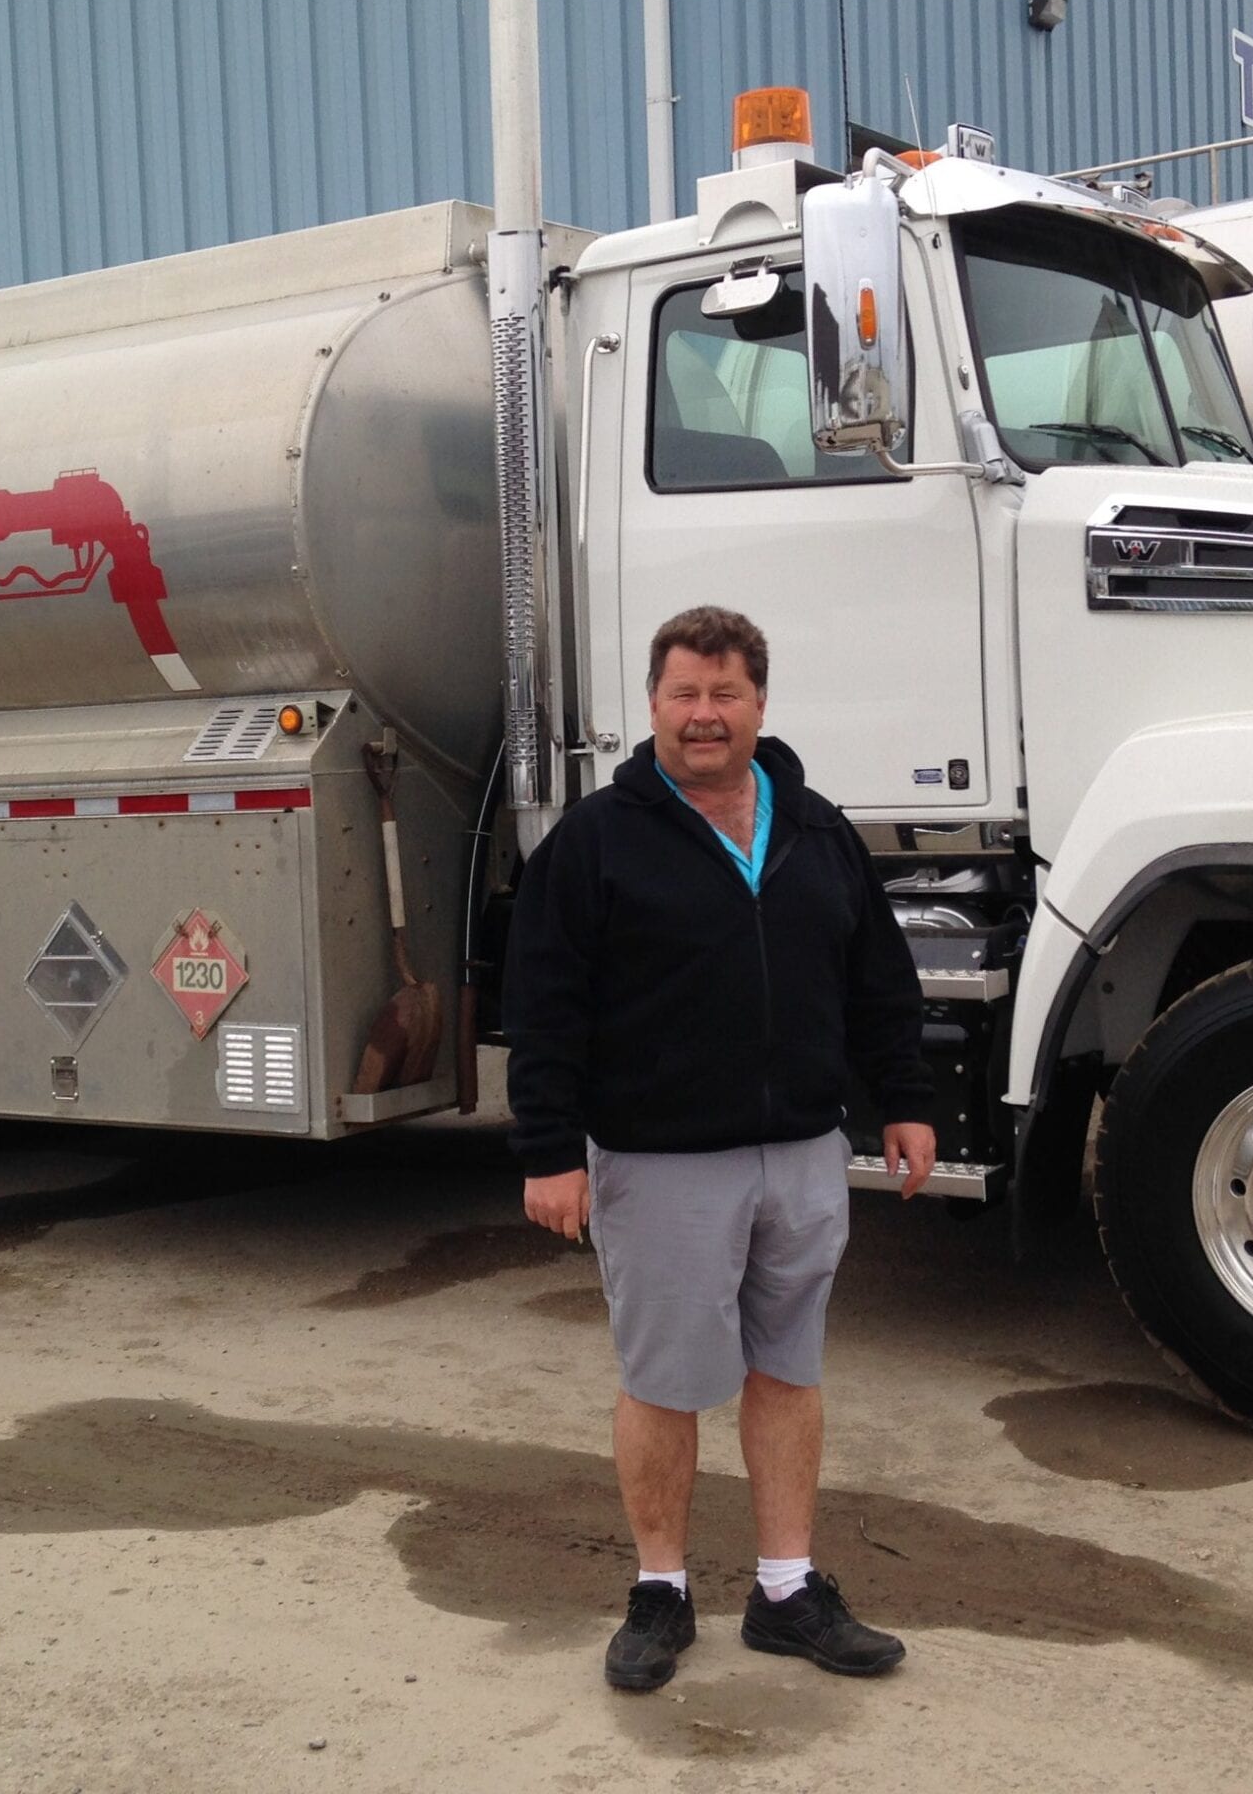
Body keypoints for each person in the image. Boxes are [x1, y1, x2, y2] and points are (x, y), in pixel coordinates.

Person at [504, 604, 938, 1693]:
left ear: (758, 704)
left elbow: (876, 979)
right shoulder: (596, 842)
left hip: (799, 1153)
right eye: (684, 695)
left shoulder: (815, 827)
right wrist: (550, 1149)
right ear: (650, 706)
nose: (704, 716)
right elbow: (544, 1005)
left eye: (725, 694)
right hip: (659, 1162)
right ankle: (660, 1591)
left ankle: (787, 1591)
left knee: (786, 1370)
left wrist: (906, 1099)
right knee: (663, 1383)